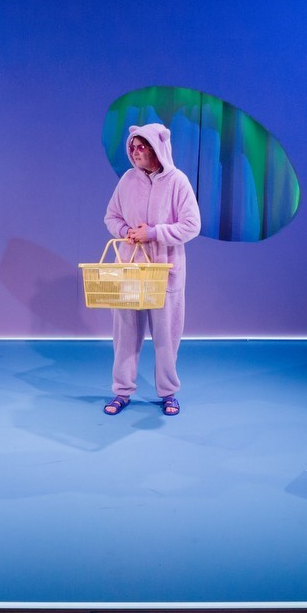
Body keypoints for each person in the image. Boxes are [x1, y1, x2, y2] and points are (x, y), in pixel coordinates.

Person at [102, 123, 201, 416]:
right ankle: (122, 391)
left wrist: (154, 233)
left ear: (157, 148)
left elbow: (191, 225)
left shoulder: (178, 182)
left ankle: (168, 393)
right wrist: (127, 231)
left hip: (164, 270)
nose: (135, 152)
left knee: (166, 336)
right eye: (132, 147)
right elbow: (111, 217)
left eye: (141, 146)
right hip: (130, 268)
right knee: (125, 334)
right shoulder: (127, 180)